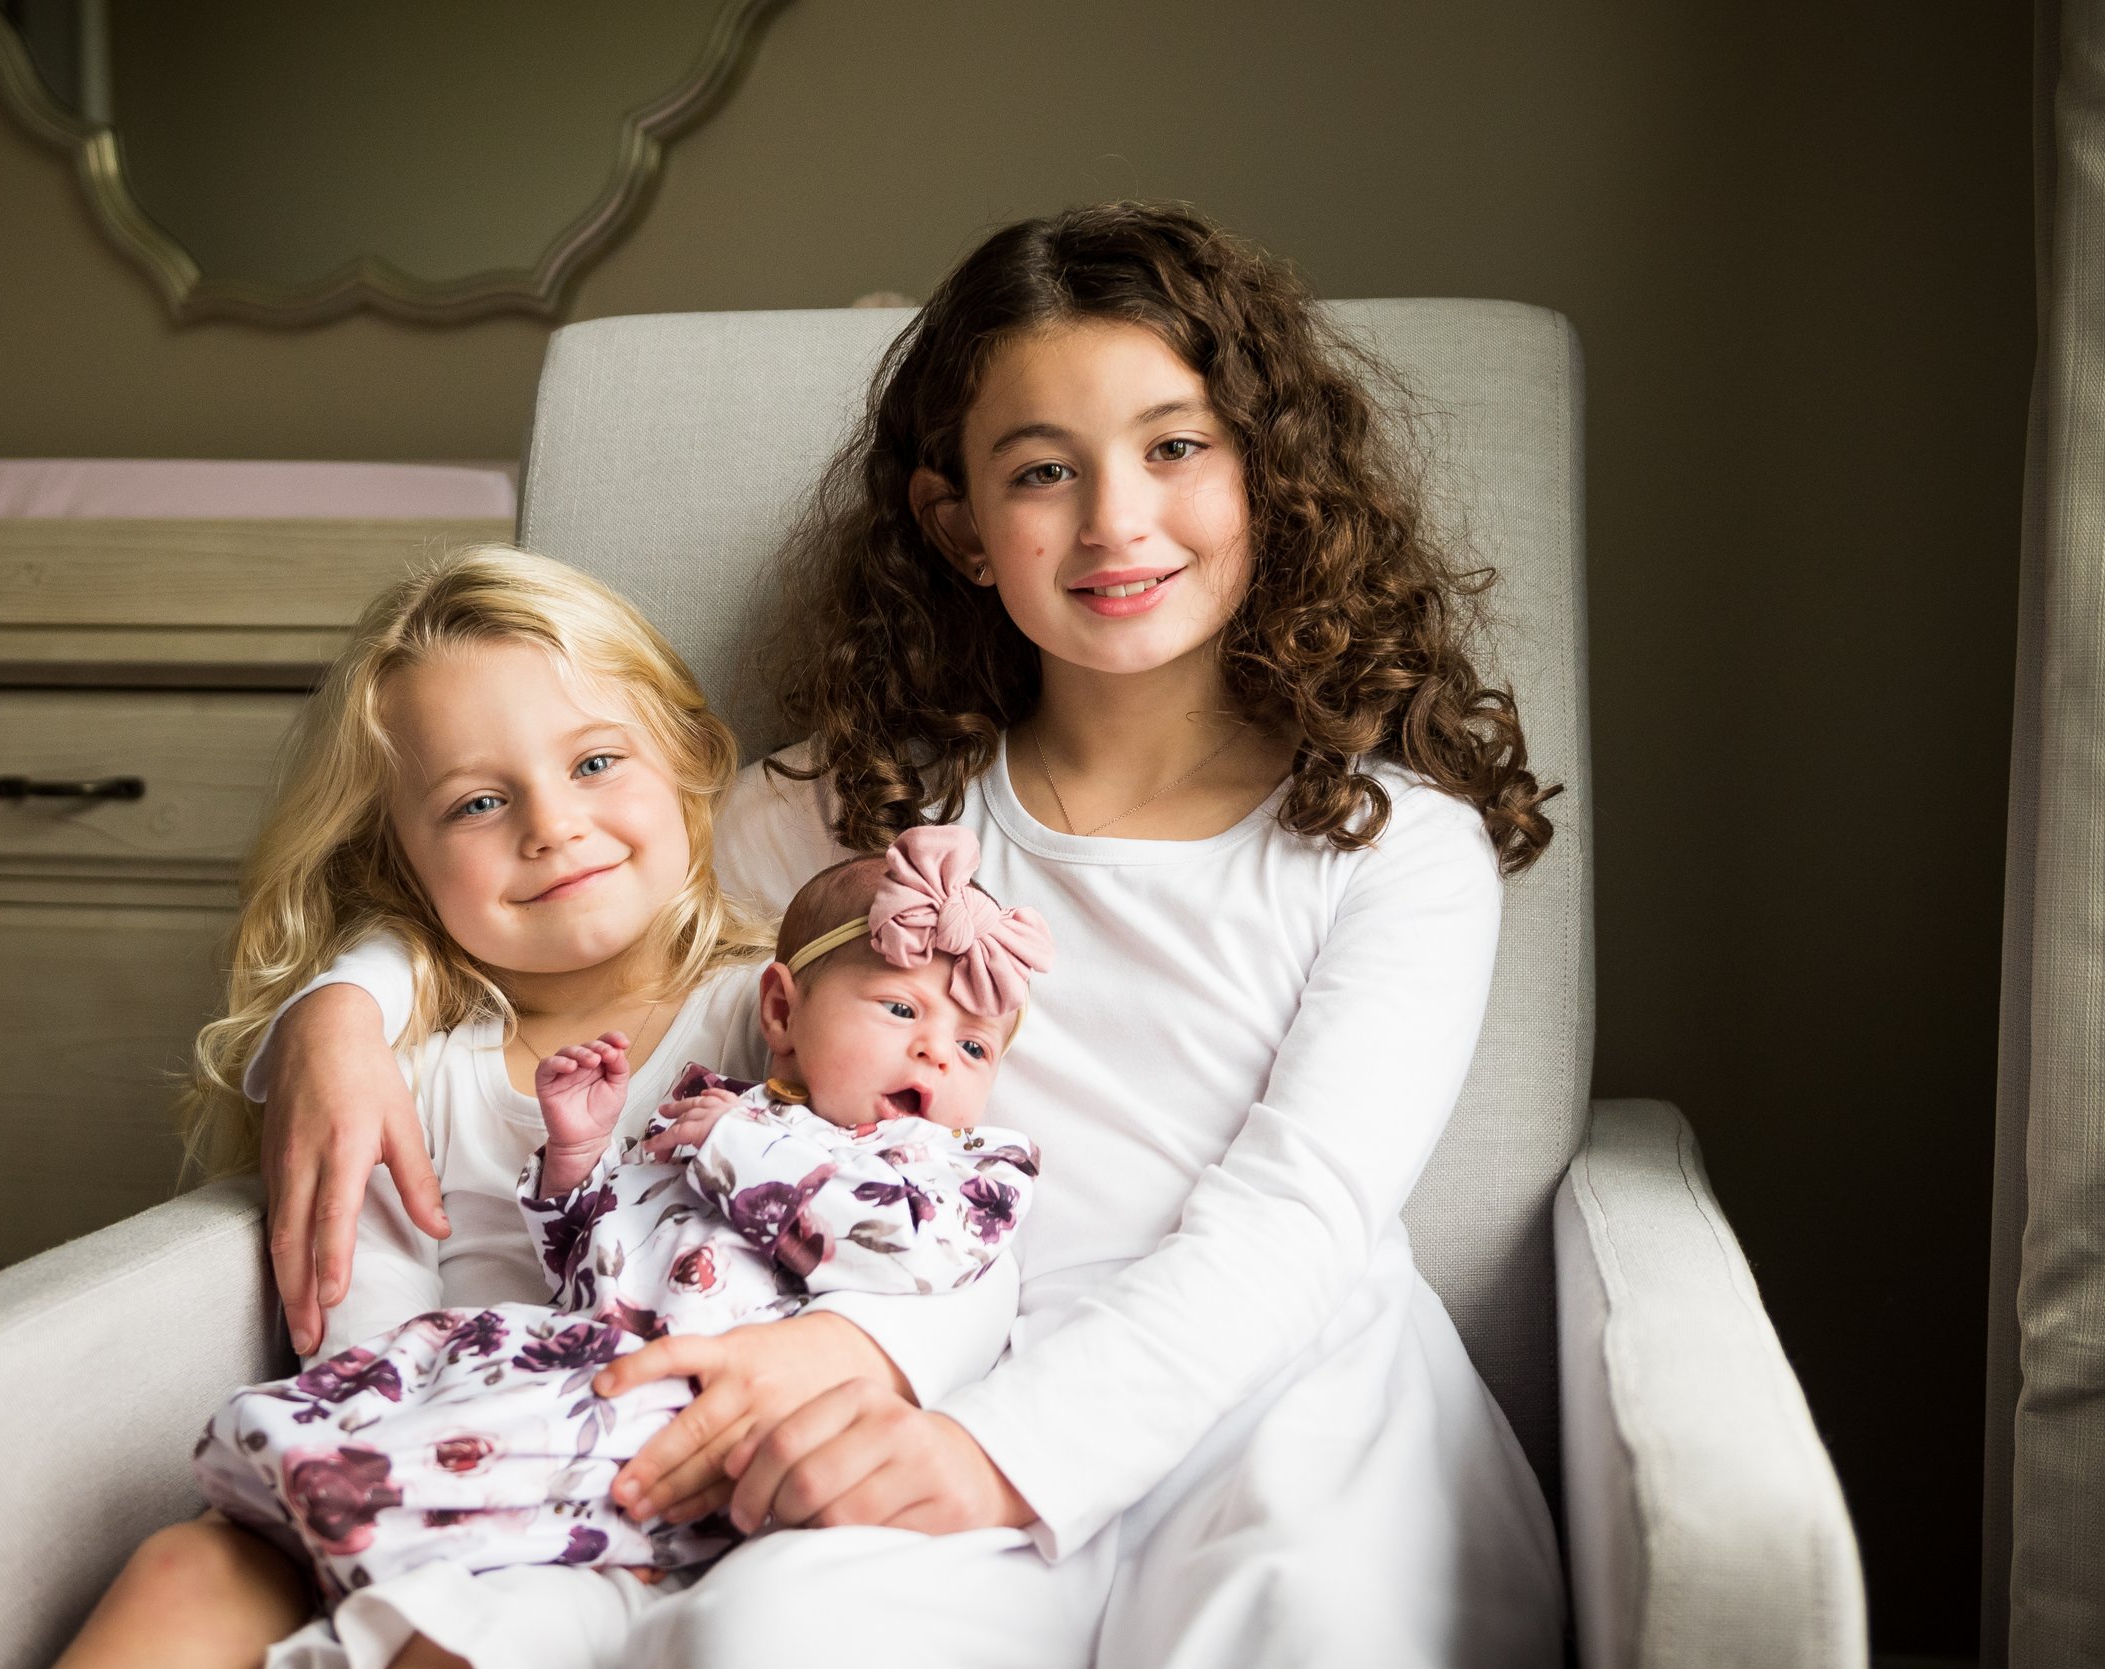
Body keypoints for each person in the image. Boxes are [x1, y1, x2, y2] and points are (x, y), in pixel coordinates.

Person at [260, 201, 1569, 1668]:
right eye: (1042, 471)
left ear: (1267, 468)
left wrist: (1004, 1453)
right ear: (958, 525)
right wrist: (343, 1006)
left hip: (1283, 1399)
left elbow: (1298, 1220)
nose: (1114, 520)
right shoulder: (862, 802)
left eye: (1175, 446)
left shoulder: (1394, 846)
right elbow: (577, 883)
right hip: (931, 1372)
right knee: (764, 1639)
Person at [55, 548, 1015, 1669]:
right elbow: (361, 1330)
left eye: (596, 761)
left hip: (655, 1498)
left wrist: (847, 1357)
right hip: (444, 1464)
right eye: (476, 801)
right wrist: (348, 999)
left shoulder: (783, 1020)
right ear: (401, 858)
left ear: (687, 760)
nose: (552, 826)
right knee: (183, 1568)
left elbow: (956, 1235)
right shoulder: (405, 1069)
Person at [194, 826, 1048, 1648]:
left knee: (517, 1435)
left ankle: (362, 1497)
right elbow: (595, 1265)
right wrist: (576, 1163)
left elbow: (901, 1242)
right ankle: (314, 1459)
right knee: (449, 1354)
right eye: (901, 1008)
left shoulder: (967, 1167)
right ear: (783, 1010)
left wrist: (737, 1146)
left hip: (706, 1416)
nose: (937, 1054)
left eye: (974, 1046)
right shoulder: (714, 1110)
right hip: (586, 1352)